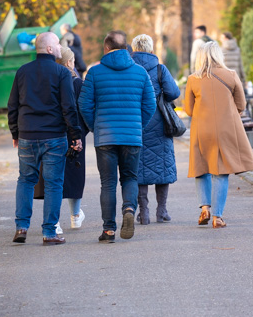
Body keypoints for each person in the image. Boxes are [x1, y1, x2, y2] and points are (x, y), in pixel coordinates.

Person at [78, 30, 156, 243]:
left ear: (106, 48)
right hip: (132, 136)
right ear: (127, 48)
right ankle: (129, 208)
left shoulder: (94, 73)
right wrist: (137, 125)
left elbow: (84, 105)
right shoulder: (140, 73)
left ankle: (109, 230)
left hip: (105, 137)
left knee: (108, 183)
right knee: (130, 177)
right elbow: (150, 104)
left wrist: (96, 126)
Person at [9, 31, 84, 245]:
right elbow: (68, 107)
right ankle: (49, 232)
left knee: (25, 180)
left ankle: (21, 228)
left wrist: (15, 133)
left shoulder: (22, 72)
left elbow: (12, 105)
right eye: (58, 44)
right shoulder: (61, 73)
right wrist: (75, 135)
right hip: (54, 137)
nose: (61, 48)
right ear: (50, 49)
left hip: (27, 136)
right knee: (53, 184)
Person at [183, 41, 253, 228]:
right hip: (225, 129)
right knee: (221, 171)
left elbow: (189, 110)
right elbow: (241, 105)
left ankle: (205, 209)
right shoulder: (231, 75)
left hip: (202, 129)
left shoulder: (193, 79)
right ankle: (217, 217)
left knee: (202, 169)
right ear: (219, 55)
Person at [130, 34, 180, 224]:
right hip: (161, 123)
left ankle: (144, 213)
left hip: (137, 122)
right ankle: (162, 211)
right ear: (151, 49)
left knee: (139, 170)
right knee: (162, 168)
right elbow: (173, 92)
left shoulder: (130, 68)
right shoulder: (160, 69)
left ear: (134, 49)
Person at [57, 46, 90, 229]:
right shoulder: (77, 83)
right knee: (76, 174)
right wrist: (83, 131)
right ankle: (75, 215)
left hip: (55, 133)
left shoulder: (52, 81)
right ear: (70, 62)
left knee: (57, 175)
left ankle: (54, 219)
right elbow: (85, 109)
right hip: (75, 134)